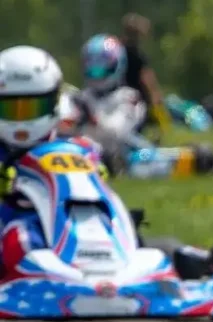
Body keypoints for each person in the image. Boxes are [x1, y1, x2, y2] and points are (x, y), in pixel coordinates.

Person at [0, 46, 103, 276]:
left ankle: (114, 265)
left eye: (32, 108)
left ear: (54, 102)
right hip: (11, 224)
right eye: (10, 109)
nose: (21, 120)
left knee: (123, 231)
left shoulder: (76, 148)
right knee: (20, 240)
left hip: (68, 223)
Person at [119, 14, 168, 132]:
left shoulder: (118, 49)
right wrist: (155, 94)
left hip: (119, 95)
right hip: (136, 98)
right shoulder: (138, 55)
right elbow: (146, 77)